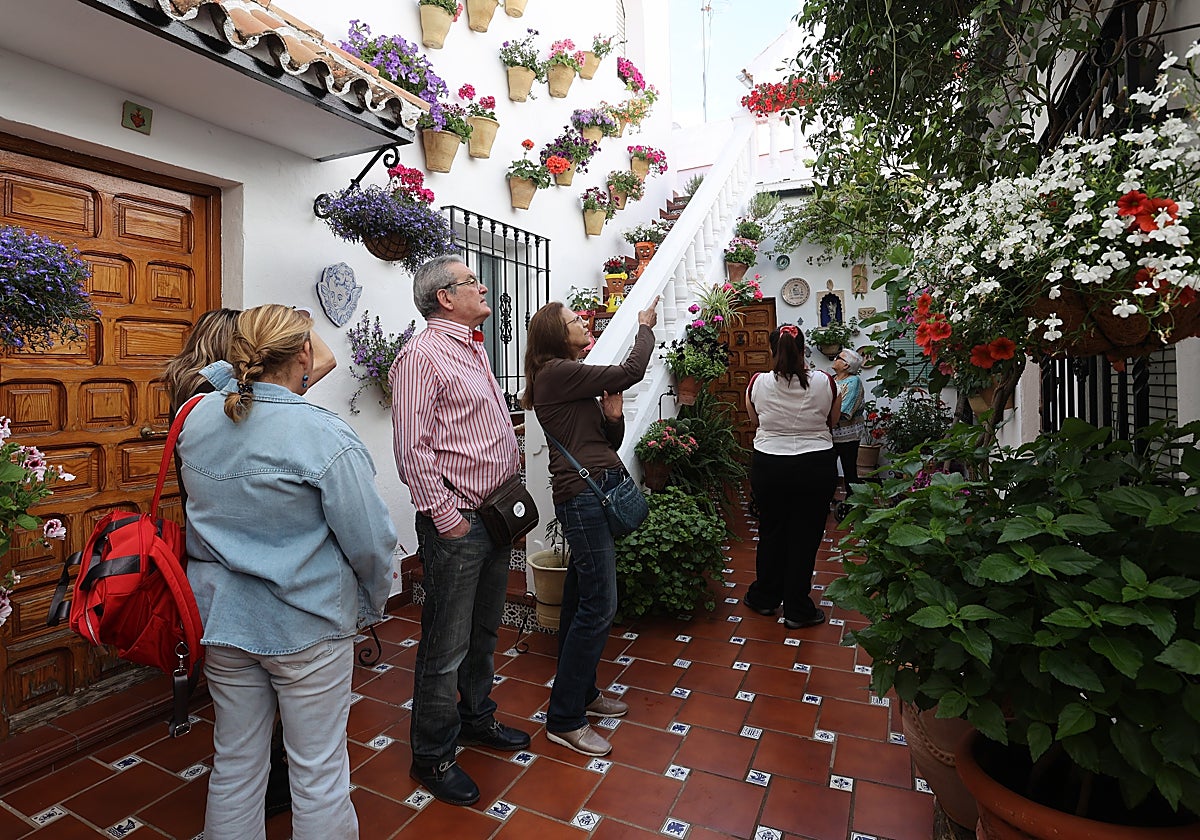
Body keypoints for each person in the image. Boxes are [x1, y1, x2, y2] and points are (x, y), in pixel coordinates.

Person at [177, 305, 396, 840]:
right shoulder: (322, 434)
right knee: (318, 770)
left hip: (225, 621)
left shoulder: (196, 418)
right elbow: (371, 542)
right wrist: (371, 603)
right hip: (307, 625)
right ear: (302, 354)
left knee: (234, 761)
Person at [161, 306, 337, 818]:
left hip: (218, 592)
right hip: (290, 601)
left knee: (236, 753)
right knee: (316, 764)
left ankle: (265, 783)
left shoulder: (189, 407)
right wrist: (292, 326)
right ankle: (278, 779)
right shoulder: (240, 408)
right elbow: (320, 358)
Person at [390, 255, 531, 807]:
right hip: (460, 523)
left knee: (484, 632)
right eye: (473, 280)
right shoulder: (422, 355)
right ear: (445, 297)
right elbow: (411, 449)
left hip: (494, 515)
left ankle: (477, 719)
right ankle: (433, 755)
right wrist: (447, 519)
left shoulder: (470, 347)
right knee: (445, 645)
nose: (483, 286)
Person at [522, 295, 660, 757]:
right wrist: (645, 327)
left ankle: (582, 693)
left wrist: (616, 417)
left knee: (580, 600)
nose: (583, 321)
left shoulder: (568, 379)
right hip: (582, 499)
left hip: (593, 490)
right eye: (574, 319)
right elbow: (631, 371)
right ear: (558, 336)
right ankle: (564, 718)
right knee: (600, 604)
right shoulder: (557, 373)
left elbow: (604, 441)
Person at [741, 324, 839, 630]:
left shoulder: (757, 383)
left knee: (772, 530)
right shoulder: (825, 382)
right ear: (804, 349)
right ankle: (797, 608)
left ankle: (765, 597)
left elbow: (755, 421)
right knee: (805, 536)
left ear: (773, 351)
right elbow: (832, 421)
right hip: (815, 466)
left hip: (770, 465)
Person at [830, 348, 866, 497]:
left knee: (849, 470)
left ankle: (852, 502)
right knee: (828, 469)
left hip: (848, 436)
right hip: (831, 434)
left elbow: (845, 411)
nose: (835, 358)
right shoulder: (832, 379)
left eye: (839, 357)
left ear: (846, 366)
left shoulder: (853, 381)